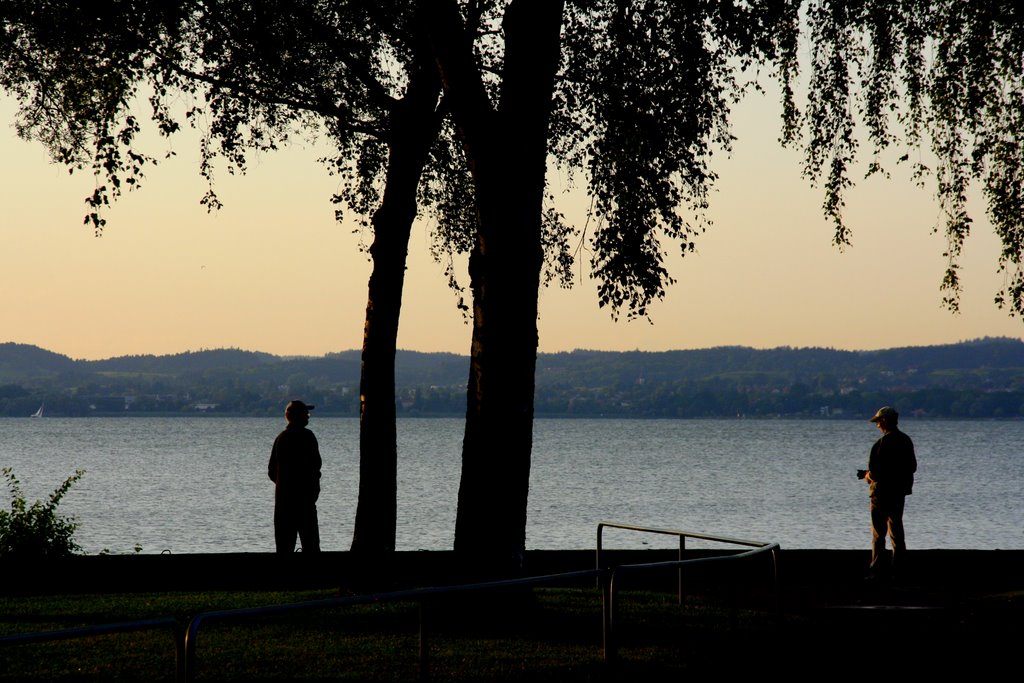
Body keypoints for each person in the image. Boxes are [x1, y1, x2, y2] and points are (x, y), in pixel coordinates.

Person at [860, 406, 917, 579]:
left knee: (878, 534)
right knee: (896, 531)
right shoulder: (906, 441)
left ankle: (876, 571)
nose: (877, 425)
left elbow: (875, 473)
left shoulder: (881, 444)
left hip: (880, 494)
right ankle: (899, 569)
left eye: (878, 422)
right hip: (898, 493)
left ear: (884, 421)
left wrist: (867, 476)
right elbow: (912, 467)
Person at [268, 399, 322, 553]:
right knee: (311, 546)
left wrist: (284, 485)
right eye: (306, 414)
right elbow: (316, 465)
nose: (308, 416)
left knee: (284, 547)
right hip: (305, 502)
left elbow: (272, 471)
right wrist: (312, 489)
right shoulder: (308, 437)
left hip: (283, 503)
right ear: (298, 416)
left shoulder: (281, 438)